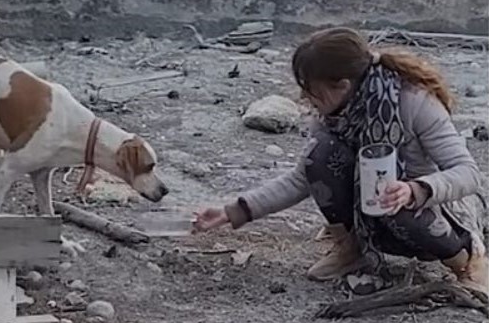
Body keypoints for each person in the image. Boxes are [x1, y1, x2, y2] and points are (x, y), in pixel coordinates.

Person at [194, 27, 487, 294]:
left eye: (311, 89)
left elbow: (468, 174)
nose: (306, 97)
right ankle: (353, 248)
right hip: (373, 211)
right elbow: (302, 178)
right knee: (319, 155)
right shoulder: (335, 115)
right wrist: (233, 211)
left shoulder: (413, 101)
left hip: (430, 212)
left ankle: (465, 260)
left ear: (342, 84)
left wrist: (417, 189)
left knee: (392, 199)